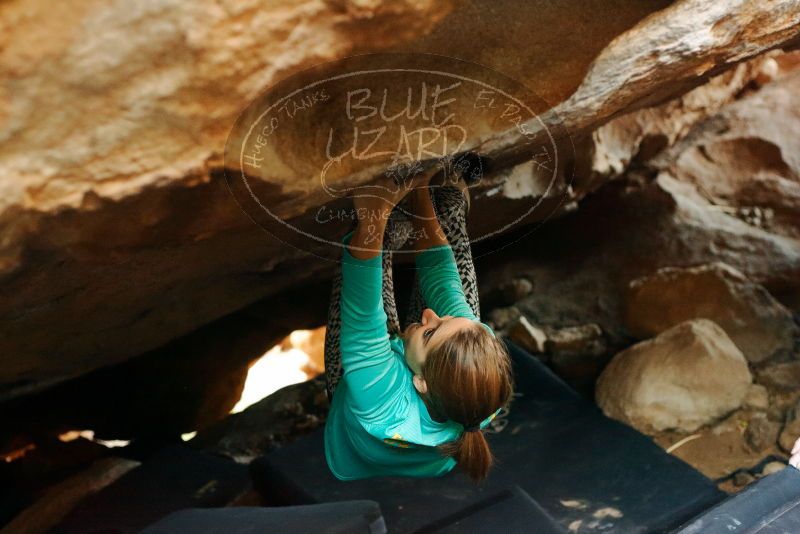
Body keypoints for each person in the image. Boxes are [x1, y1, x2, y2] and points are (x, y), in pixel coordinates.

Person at [322, 165, 514, 483]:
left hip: (365, 408)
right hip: (419, 377)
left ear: (421, 382)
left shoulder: (380, 403)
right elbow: (442, 278)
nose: (430, 314)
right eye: (445, 320)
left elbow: (363, 312)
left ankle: (387, 232)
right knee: (463, 306)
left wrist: (375, 217)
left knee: (367, 274)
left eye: (430, 330)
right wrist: (420, 187)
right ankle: (446, 199)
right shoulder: (479, 390)